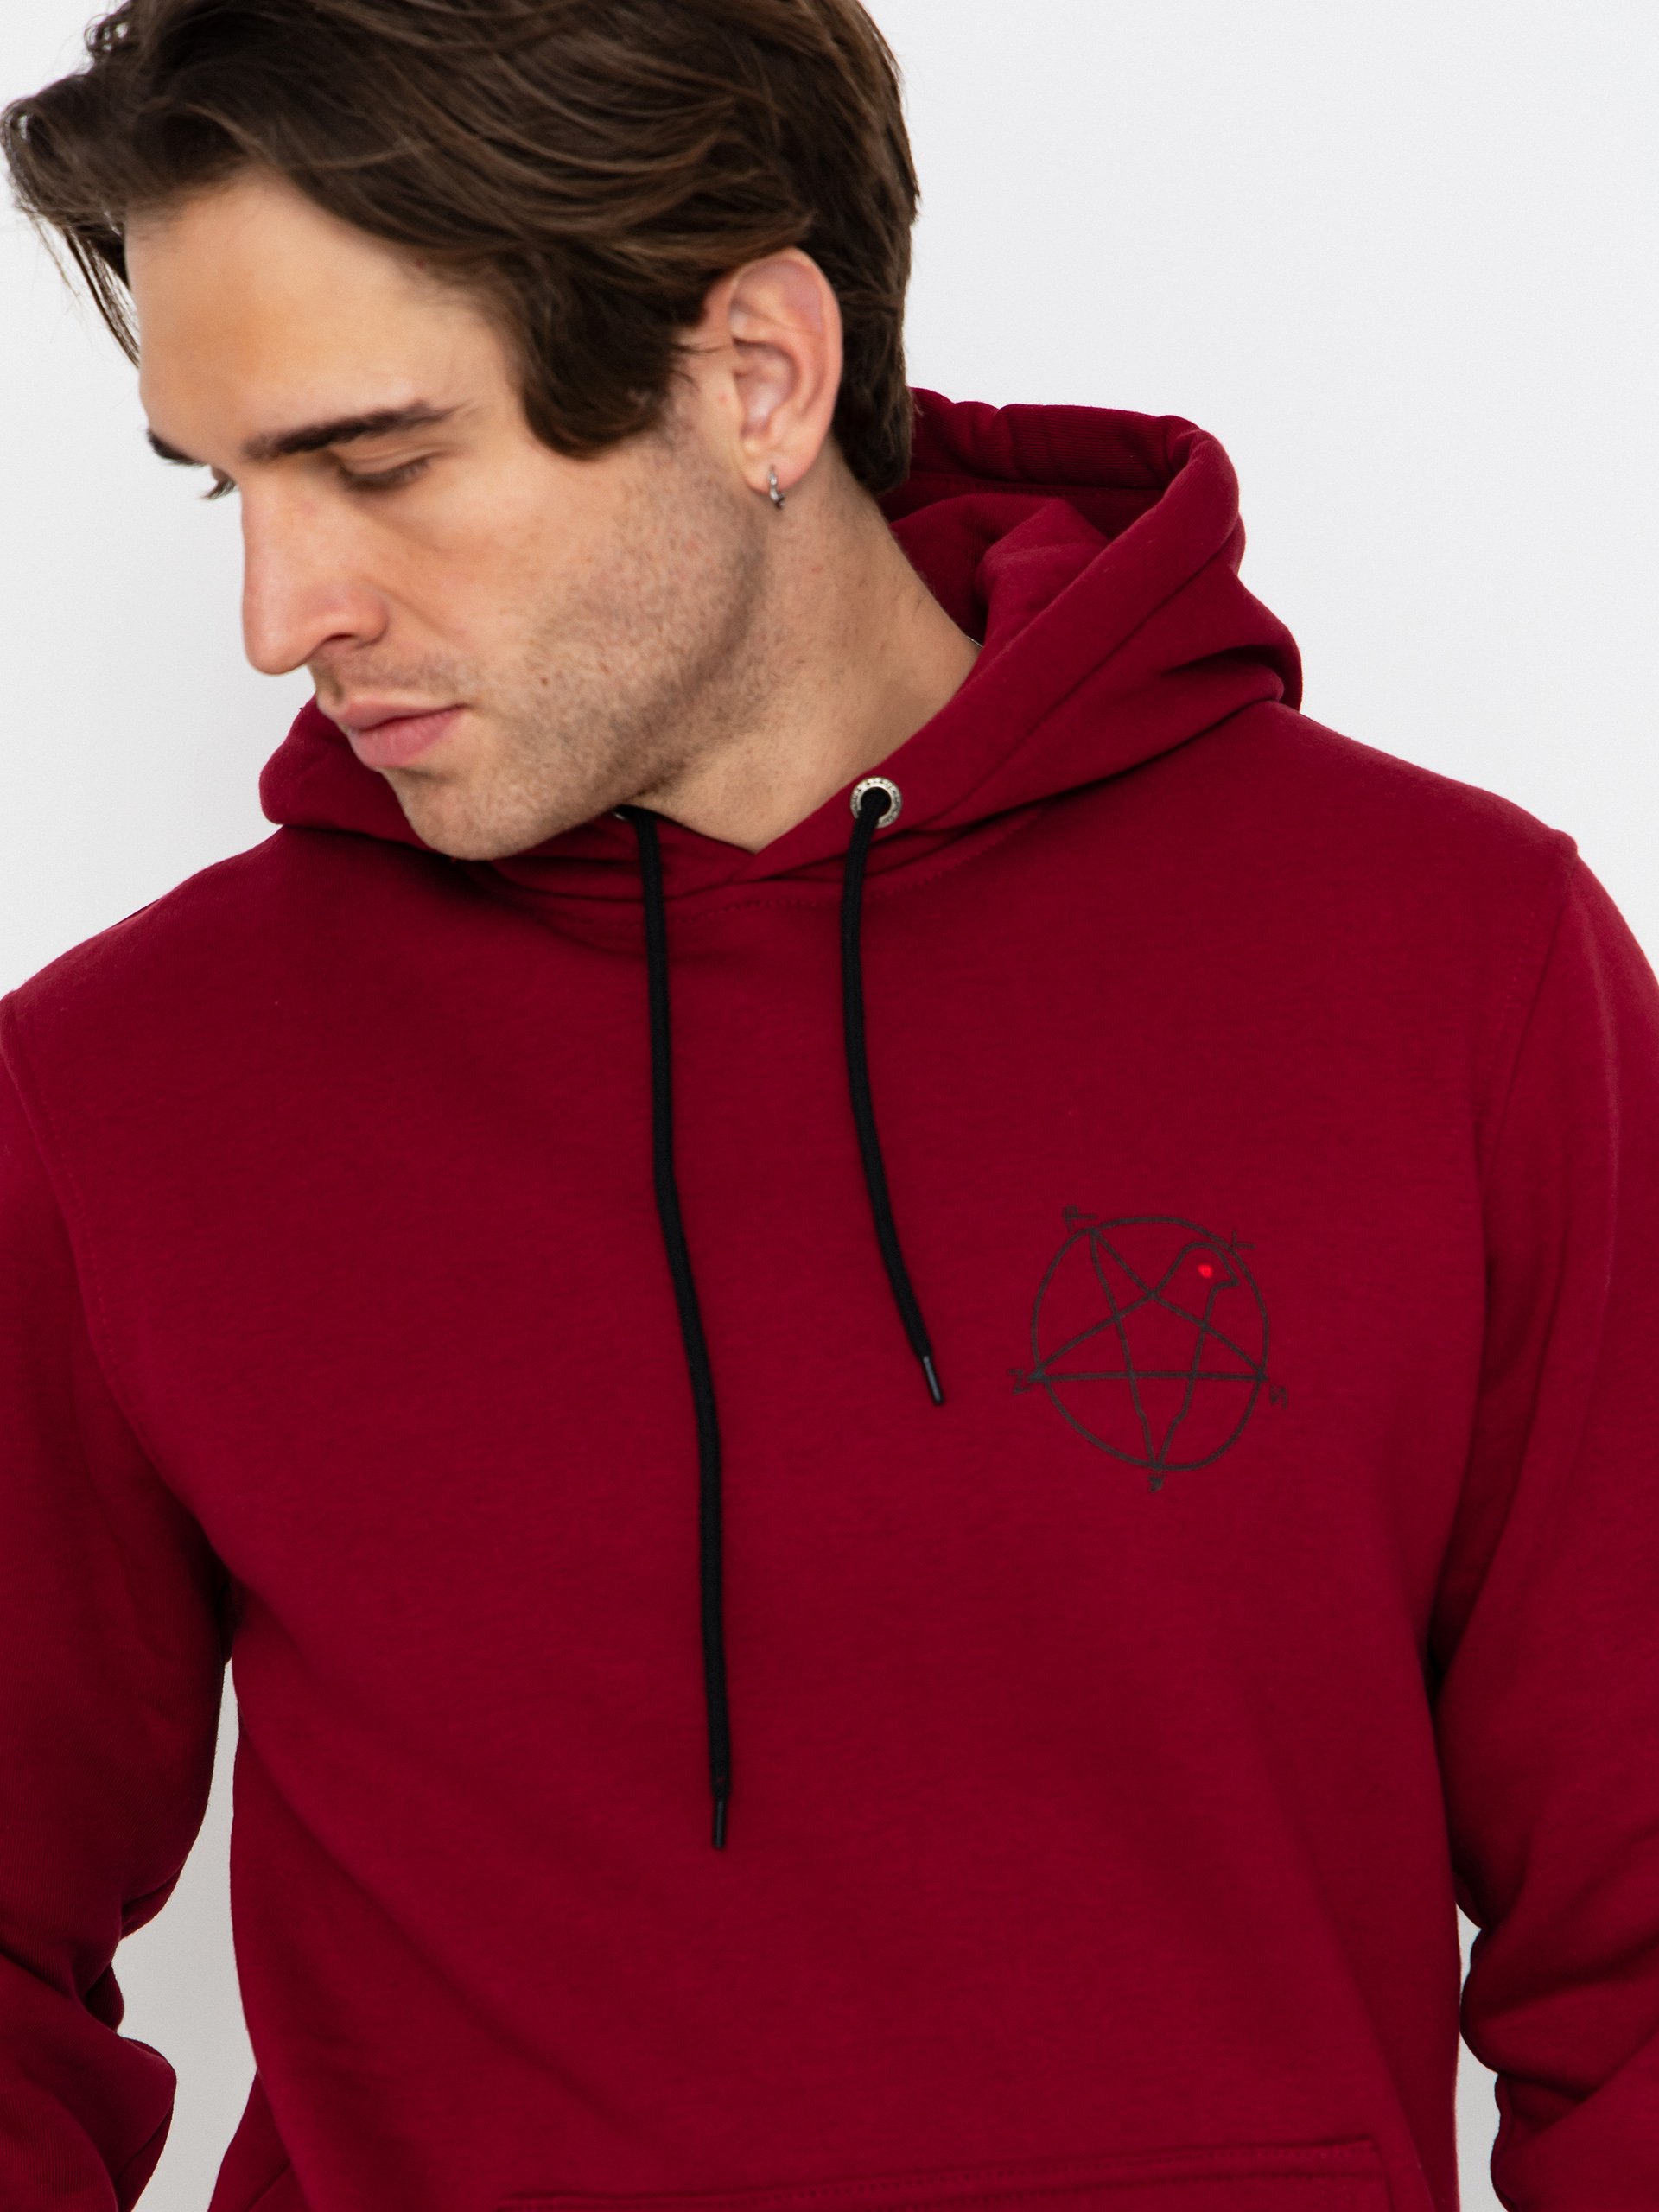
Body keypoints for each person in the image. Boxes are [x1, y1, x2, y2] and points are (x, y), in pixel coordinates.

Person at [3, 1, 1656, 2208]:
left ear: (761, 375)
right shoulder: (122, 1091)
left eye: (380, 463)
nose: (281, 614)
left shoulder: (1453, 967)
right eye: (234, 486)